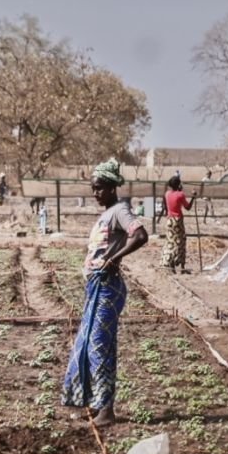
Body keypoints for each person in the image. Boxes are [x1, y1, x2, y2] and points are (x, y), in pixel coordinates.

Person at [61, 162, 148, 426]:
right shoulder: (108, 213)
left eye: (99, 188)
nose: (95, 193)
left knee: (99, 345)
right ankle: (91, 401)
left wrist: (114, 258)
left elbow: (140, 235)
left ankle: (106, 410)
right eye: (93, 188)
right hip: (97, 287)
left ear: (112, 188)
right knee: (87, 344)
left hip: (108, 288)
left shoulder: (120, 210)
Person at [161, 174, 195, 273]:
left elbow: (165, 206)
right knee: (181, 242)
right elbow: (188, 207)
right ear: (179, 184)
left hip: (169, 221)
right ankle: (182, 266)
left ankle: (170, 263)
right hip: (177, 221)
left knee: (170, 242)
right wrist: (193, 197)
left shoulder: (167, 193)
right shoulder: (180, 195)